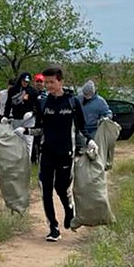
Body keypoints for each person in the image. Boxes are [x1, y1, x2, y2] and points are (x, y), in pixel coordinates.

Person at [31, 66, 96, 242]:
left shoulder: (73, 102)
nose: (49, 86)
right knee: (45, 189)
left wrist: (90, 140)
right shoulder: (43, 103)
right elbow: (38, 129)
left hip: (66, 153)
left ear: (60, 82)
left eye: (52, 82)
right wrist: (24, 130)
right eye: (46, 83)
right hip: (47, 153)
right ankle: (53, 228)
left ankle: (69, 211)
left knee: (61, 188)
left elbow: (82, 127)